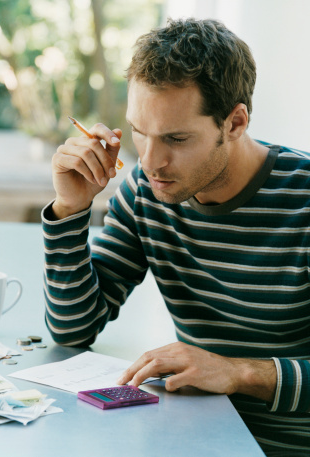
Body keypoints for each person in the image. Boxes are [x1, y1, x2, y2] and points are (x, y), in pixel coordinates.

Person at [42, 18, 310, 456]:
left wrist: (239, 372)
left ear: (235, 122)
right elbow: (73, 329)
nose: (150, 163)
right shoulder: (145, 194)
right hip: (192, 438)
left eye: (176, 138)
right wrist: (70, 210)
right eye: (139, 133)